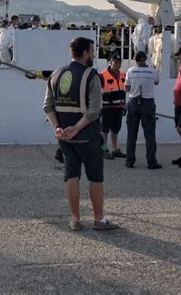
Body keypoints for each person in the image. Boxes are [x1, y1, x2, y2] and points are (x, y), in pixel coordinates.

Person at [43, 37, 119, 231]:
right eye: (92, 51)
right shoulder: (91, 75)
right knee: (95, 177)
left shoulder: (56, 74)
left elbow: (48, 106)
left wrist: (57, 128)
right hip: (87, 135)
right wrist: (77, 128)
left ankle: (75, 219)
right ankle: (99, 219)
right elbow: (94, 110)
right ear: (85, 53)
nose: (93, 54)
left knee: (71, 175)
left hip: (64, 137)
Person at [124, 51, 161, 169]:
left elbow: (126, 88)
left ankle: (130, 161)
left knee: (131, 134)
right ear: (145, 59)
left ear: (135, 60)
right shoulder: (153, 71)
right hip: (148, 103)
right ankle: (151, 162)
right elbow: (156, 82)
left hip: (134, 102)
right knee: (149, 134)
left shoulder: (130, 71)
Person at [100, 52, 127, 160]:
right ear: (110, 62)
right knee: (105, 130)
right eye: (116, 62)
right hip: (107, 107)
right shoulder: (102, 75)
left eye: (119, 62)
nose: (118, 64)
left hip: (119, 107)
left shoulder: (123, 75)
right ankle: (104, 149)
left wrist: (124, 105)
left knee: (116, 129)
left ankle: (115, 150)